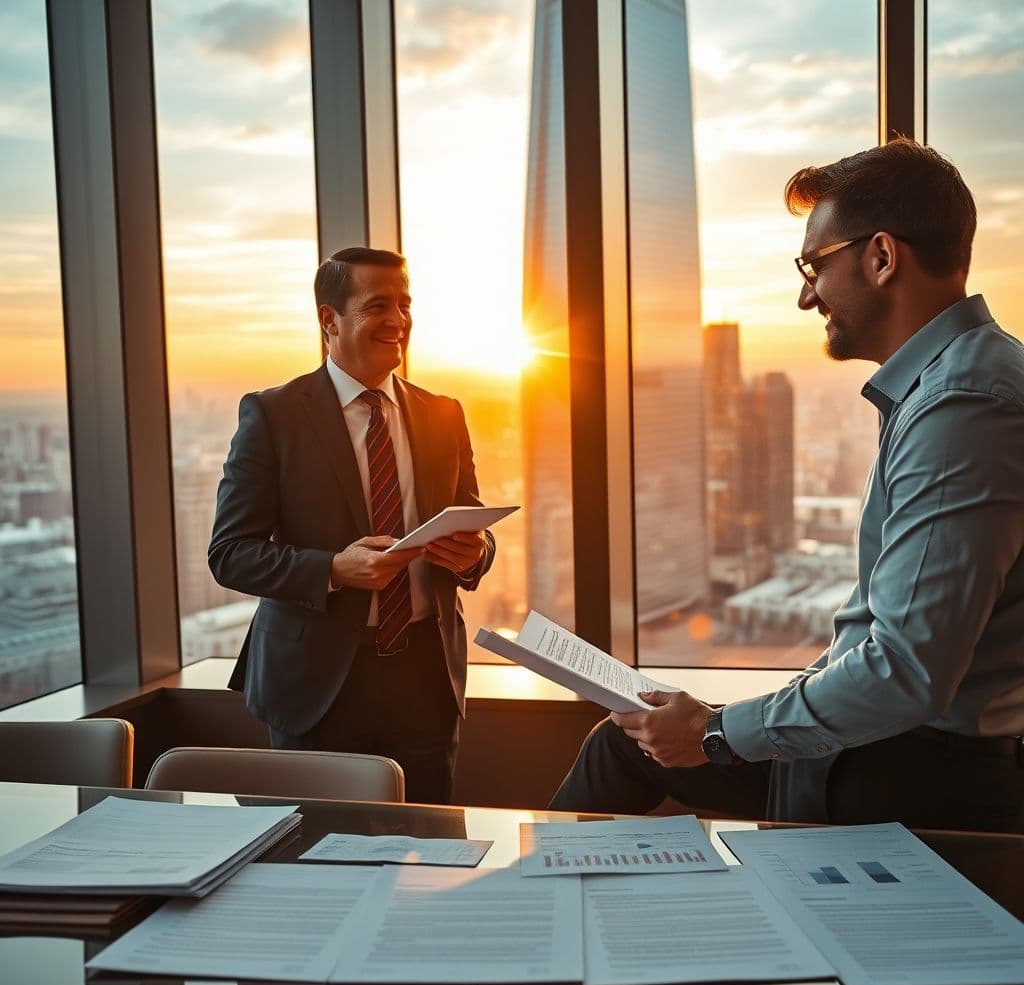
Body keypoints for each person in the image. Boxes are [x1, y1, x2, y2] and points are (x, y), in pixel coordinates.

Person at [551, 138, 1024, 831]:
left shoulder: (962, 404)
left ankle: (513, 920)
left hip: (914, 776)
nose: (806, 295)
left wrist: (715, 733)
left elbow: (905, 671)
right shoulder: (959, 381)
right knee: (626, 744)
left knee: (628, 751)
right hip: (901, 756)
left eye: (814, 265)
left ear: (882, 256)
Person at [209, 246, 495, 804]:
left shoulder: (444, 414)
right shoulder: (274, 416)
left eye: (405, 304)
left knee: (426, 854)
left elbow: (473, 527)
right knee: (315, 859)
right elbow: (230, 552)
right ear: (328, 320)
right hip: (316, 683)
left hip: (423, 676)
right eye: (378, 306)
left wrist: (475, 553)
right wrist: (334, 569)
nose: (398, 321)